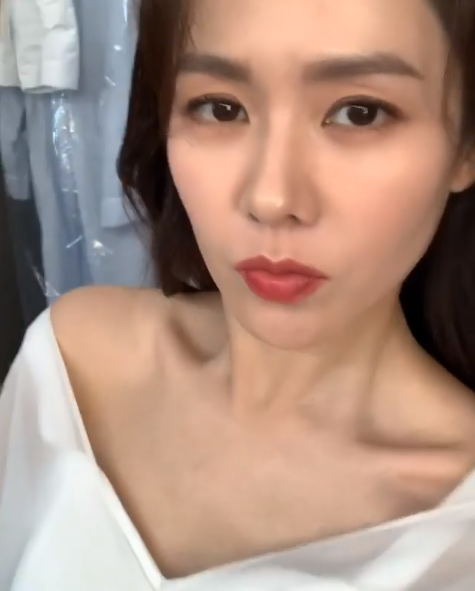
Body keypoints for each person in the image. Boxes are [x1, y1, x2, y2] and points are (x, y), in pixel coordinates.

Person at [2, 0, 475, 588]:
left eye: (360, 113)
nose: (271, 198)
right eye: (220, 108)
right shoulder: (73, 365)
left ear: (465, 146)